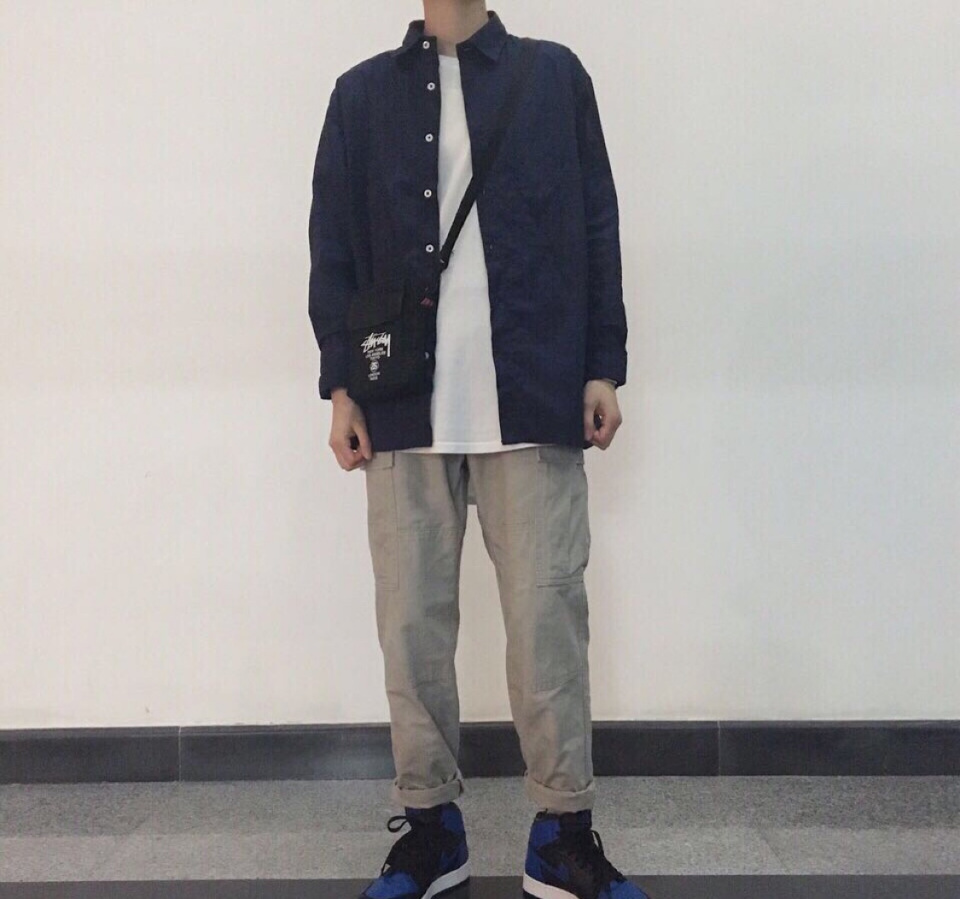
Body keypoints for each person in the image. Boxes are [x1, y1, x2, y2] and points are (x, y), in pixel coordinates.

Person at [309, 3, 648, 898]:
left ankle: (561, 835)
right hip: (401, 408)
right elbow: (333, 249)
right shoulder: (360, 97)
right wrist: (341, 386)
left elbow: (597, 223)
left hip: (531, 397)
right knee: (410, 627)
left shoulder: (554, 77)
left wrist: (603, 363)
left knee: (548, 625)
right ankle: (432, 831)